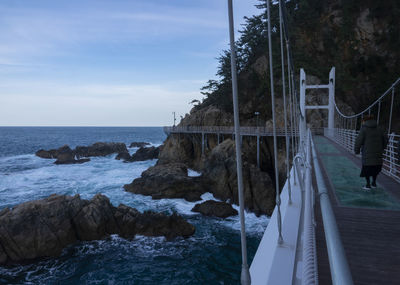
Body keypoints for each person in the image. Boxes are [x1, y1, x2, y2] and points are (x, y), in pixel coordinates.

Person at [354, 115, 387, 190]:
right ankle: (374, 183)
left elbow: (358, 141)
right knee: (375, 168)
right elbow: (386, 139)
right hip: (378, 153)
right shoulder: (380, 129)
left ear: (364, 121)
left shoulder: (364, 129)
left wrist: (356, 150)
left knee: (367, 168)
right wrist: (382, 148)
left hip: (367, 153)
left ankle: (368, 185)